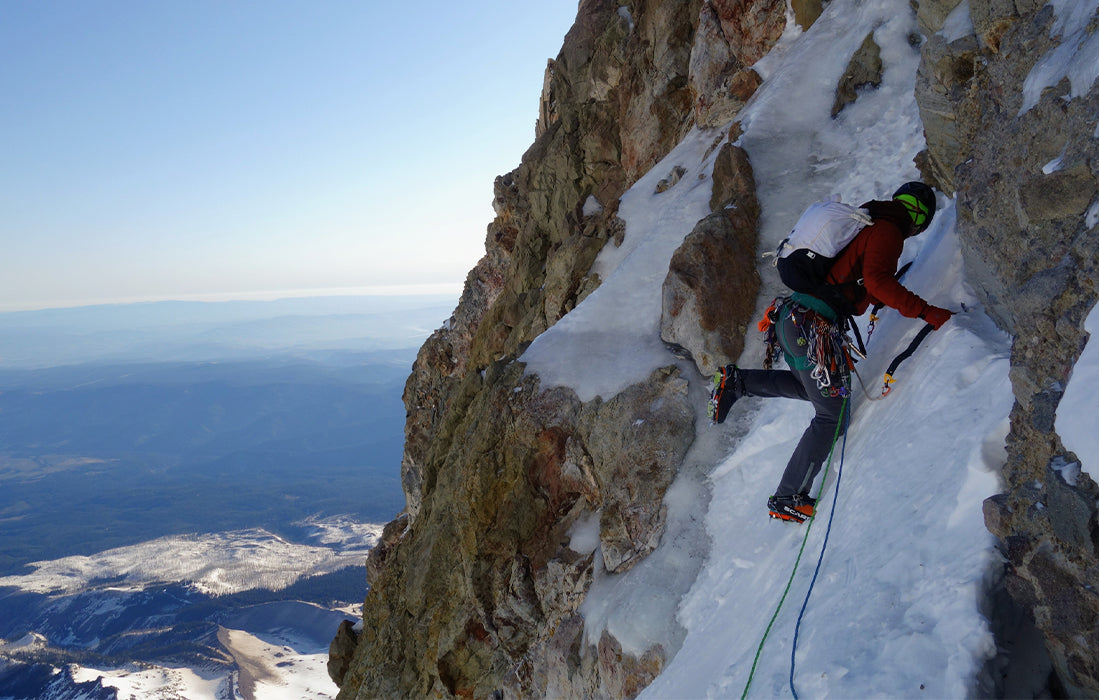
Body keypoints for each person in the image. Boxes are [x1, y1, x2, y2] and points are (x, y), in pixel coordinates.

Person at [709, 182, 952, 523]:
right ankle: (787, 496)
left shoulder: (868, 223)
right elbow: (878, 281)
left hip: (798, 322)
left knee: (813, 391)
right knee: (833, 415)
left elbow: (859, 278)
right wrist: (931, 313)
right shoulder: (888, 230)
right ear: (920, 219)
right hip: (813, 326)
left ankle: (738, 382)